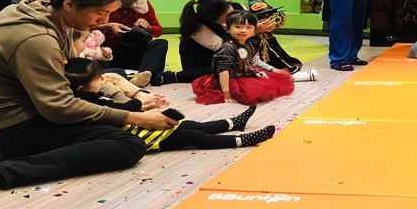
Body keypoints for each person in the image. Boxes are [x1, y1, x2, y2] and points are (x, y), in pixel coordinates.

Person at [0, 0, 176, 201]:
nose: (104, 21)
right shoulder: (35, 38)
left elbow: (81, 77)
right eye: (100, 13)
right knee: (127, 144)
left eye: (108, 13)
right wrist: (134, 117)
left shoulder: (56, 22)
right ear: (69, 4)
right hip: (11, 128)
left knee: (117, 124)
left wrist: (132, 103)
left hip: (35, 112)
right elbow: (58, 107)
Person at [64, 58, 275, 151]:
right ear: (82, 88)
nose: (101, 81)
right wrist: (138, 105)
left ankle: (232, 123)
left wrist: (143, 105)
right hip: (139, 135)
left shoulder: (96, 95)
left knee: (189, 125)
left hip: (135, 125)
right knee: (192, 136)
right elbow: (116, 111)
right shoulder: (88, 103)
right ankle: (240, 141)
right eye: (97, 79)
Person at [192, 11, 294, 105]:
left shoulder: (249, 44)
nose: (243, 31)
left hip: (242, 75)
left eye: (249, 27)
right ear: (228, 29)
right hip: (228, 80)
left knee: (271, 81)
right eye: (238, 27)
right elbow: (223, 71)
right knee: (254, 91)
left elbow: (248, 63)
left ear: (254, 30)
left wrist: (255, 72)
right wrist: (226, 93)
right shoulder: (228, 48)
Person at [102, 0, 168, 76]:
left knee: (161, 43)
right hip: (109, 53)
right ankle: (110, 74)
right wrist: (108, 27)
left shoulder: (144, 6)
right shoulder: (105, 5)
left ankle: (147, 75)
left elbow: (158, 31)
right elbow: (88, 29)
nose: (130, 2)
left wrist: (149, 28)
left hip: (135, 52)